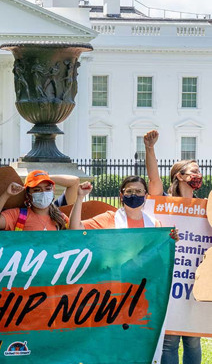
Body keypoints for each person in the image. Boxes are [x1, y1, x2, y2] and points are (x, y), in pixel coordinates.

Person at [144, 129, 202, 364]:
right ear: (179, 175)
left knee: (193, 338)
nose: (199, 175)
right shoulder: (163, 199)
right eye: (195, 171)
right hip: (169, 277)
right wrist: (149, 148)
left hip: (194, 279)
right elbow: (153, 180)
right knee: (170, 340)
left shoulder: (204, 206)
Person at [0, 171, 76, 231]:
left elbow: (76, 237)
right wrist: (7, 194)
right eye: (37, 190)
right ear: (28, 194)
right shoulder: (18, 216)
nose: (43, 193)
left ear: (53, 191)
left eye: (47, 189)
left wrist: (45, 176)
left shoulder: (61, 218)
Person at [69, 176, 161, 230]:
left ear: (145, 196)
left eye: (138, 191)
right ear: (121, 195)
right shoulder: (109, 218)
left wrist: (172, 239)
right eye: (129, 191)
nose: (134, 194)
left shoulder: (154, 224)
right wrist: (80, 197)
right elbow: (75, 228)